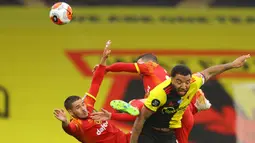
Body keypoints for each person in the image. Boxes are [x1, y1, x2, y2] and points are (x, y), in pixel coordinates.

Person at [130, 54, 250, 143]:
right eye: (179, 82)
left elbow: (209, 72)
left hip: (168, 135)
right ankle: (133, 104)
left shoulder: (193, 83)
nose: (184, 86)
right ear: (171, 80)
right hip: (150, 133)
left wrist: (232, 65)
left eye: (187, 82)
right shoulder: (160, 93)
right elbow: (140, 120)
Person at [92, 54, 211, 143]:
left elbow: (125, 67)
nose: (139, 68)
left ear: (147, 62)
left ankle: (132, 105)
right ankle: (196, 105)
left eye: (139, 63)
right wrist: (112, 116)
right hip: (180, 114)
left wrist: (106, 68)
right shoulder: (162, 78)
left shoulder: (150, 66)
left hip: (168, 107)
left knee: (138, 104)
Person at [53, 40, 130, 143]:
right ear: (71, 112)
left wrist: (103, 59)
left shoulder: (88, 105)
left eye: (82, 104)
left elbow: (96, 83)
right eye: (78, 107)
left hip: (126, 139)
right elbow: (69, 129)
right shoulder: (77, 125)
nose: (83, 109)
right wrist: (65, 122)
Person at [91, 89, 211, 143]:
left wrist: (112, 116)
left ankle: (134, 105)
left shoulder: (150, 70)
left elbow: (136, 118)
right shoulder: (182, 106)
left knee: (142, 108)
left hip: (158, 122)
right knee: (144, 107)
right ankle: (135, 105)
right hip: (160, 119)